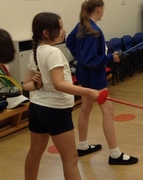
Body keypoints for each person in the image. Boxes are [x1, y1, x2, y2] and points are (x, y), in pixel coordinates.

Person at [23, 12, 99, 180]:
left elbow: (26, 85)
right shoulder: (53, 53)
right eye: (60, 27)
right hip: (55, 111)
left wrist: (37, 84)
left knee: (34, 153)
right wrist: (89, 92)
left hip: (37, 109)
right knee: (70, 159)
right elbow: (59, 84)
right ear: (46, 33)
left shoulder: (35, 53)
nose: (64, 31)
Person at [66, 0, 138, 165]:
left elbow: (70, 42)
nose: (103, 12)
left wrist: (80, 57)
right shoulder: (94, 31)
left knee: (86, 107)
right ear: (98, 9)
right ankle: (115, 154)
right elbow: (91, 60)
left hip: (84, 75)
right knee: (108, 110)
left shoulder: (82, 25)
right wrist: (110, 58)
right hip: (94, 78)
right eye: (103, 9)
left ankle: (83, 146)